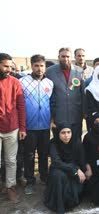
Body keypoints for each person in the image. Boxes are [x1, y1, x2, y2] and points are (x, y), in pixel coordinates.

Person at [19, 54, 53, 195]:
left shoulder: (49, 83)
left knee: (44, 154)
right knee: (29, 155)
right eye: (36, 66)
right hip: (29, 127)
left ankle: (44, 178)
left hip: (45, 126)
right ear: (31, 66)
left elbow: (52, 103)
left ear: (45, 67)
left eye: (42, 66)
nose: (39, 69)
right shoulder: (22, 82)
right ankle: (30, 181)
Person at [0, 53, 26, 203]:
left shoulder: (15, 82)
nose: (8, 69)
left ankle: (10, 187)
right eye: (5, 66)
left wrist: (22, 128)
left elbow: (21, 107)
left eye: (10, 66)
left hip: (12, 128)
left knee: (11, 160)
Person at [44, 124, 86, 213]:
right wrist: (75, 169)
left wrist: (79, 170)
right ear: (58, 134)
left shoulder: (77, 143)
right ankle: (59, 205)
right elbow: (56, 161)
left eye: (68, 132)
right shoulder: (53, 143)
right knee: (59, 176)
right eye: (63, 133)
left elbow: (82, 162)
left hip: (74, 171)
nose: (66, 135)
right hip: (58, 168)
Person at [46, 47, 85, 140]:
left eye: (68, 56)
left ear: (71, 57)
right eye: (63, 56)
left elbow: (82, 93)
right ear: (58, 57)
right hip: (58, 116)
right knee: (59, 143)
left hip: (76, 115)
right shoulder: (50, 72)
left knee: (76, 142)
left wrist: (84, 112)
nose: (65, 59)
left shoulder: (79, 71)